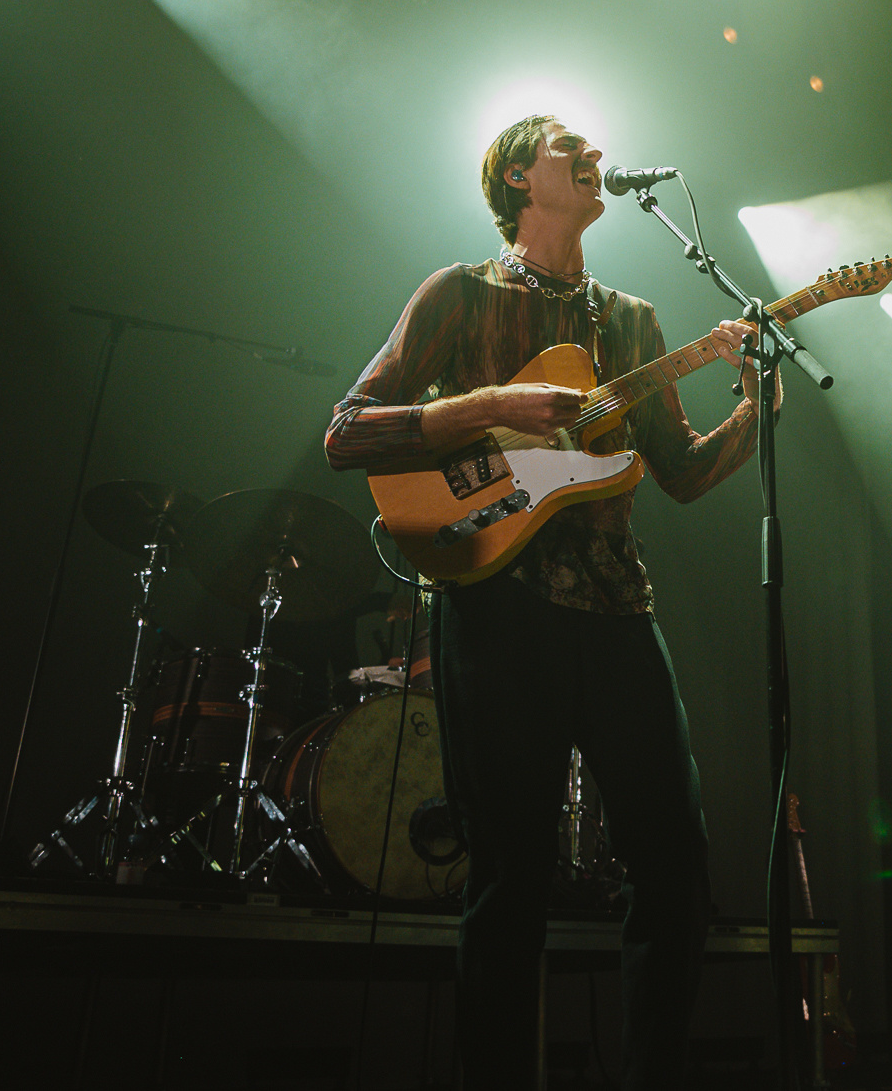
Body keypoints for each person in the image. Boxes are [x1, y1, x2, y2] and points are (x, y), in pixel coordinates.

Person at [326, 113, 779, 1090]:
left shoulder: (633, 321)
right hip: (496, 606)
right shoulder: (458, 292)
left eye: (591, 142)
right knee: (509, 877)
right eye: (566, 142)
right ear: (518, 177)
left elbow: (684, 476)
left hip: (618, 613)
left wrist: (753, 408)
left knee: (673, 868)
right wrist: (490, 405)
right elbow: (348, 433)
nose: (592, 152)